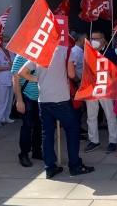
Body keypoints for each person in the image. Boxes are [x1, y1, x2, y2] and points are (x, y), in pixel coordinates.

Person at [19, 45, 94, 179]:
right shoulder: (65, 51)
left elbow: (21, 72)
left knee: (47, 133)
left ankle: (50, 167)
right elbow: (71, 74)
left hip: (43, 100)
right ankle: (75, 165)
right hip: (61, 99)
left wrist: (38, 80)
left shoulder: (38, 52)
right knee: (72, 130)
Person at [84, 31, 117, 154]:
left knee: (110, 115)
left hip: (106, 88)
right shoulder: (88, 52)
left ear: (103, 40)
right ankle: (94, 140)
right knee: (91, 116)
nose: (93, 40)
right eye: (91, 38)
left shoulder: (111, 52)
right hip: (91, 88)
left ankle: (113, 141)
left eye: (96, 38)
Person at [12, 54, 42, 167]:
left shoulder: (43, 54)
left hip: (41, 97)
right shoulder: (21, 56)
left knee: (39, 125)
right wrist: (19, 100)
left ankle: (37, 151)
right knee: (27, 126)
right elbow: (15, 78)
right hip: (27, 97)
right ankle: (24, 154)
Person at [0, 35, 15, 130]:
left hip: (11, 80)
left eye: (8, 41)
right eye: (5, 41)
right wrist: (8, 68)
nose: (6, 43)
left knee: (9, 100)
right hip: (1, 81)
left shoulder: (11, 53)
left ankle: (6, 117)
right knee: (1, 101)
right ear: (1, 43)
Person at [67, 32, 87, 141]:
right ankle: (76, 131)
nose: (87, 41)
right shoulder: (75, 51)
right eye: (85, 39)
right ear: (79, 40)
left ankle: (78, 127)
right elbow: (72, 69)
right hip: (76, 83)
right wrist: (77, 81)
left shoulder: (81, 51)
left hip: (80, 81)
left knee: (80, 108)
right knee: (76, 108)